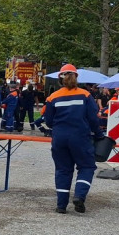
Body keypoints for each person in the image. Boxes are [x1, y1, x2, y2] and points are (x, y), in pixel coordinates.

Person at [43, 64, 104, 213]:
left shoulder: (52, 97)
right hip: (80, 137)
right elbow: (93, 119)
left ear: (60, 79)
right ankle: (79, 196)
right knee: (86, 166)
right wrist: (99, 135)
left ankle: (61, 206)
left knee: (63, 170)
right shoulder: (85, 95)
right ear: (76, 77)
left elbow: (48, 121)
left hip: (59, 138)